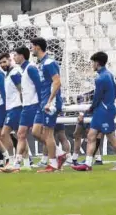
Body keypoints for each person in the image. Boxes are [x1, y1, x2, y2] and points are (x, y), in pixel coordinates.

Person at [72, 52, 116, 171]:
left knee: (111, 137)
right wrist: (108, 102)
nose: (92, 65)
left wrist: (93, 107)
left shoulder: (100, 78)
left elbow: (97, 97)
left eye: (92, 62)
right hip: (104, 109)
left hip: (103, 111)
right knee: (91, 135)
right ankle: (87, 164)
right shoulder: (108, 74)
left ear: (97, 63)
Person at [30, 37, 67, 173]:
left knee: (48, 133)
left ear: (38, 47)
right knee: (36, 132)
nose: (31, 49)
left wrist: (50, 101)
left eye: (32, 46)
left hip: (50, 102)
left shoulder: (49, 63)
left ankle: (53, 164)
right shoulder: (42, 63)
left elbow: (57, 82)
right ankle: (59, 154)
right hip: (44, 101)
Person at [2, 46, 41, 173]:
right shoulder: (22, 70)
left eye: (15, 55)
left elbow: (38, 86)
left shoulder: (29, 68)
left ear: (22, 56)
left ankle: (57, 154)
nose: (14, 58)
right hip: (25, 106)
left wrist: (42, 103)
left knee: (40, 134)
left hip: (31, 105)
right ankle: (18, 163)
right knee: (21, 134)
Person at [0, 53, 22, 161]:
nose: (3, 64)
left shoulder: (14, 73)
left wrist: (23, 105)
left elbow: (21, 90)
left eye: (4, 61)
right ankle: (26, 162)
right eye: (1, 63)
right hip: (11, 108)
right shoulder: (8, 74)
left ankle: (12, 160)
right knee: (20, 136)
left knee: (4, 133)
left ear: (9, 60)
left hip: (16, 107)